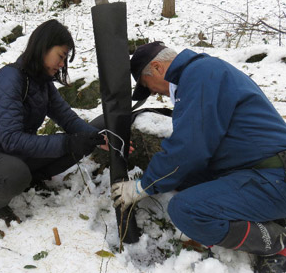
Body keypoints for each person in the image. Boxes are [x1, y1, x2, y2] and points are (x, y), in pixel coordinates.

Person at [111, 41, 286, 273]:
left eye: (148, 85)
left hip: (274, 176)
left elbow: (189, 146)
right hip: (258, 169)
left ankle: (278, 245)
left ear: (158, 67)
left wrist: (144, 185)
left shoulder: (199, 75)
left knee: (186, 210)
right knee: (182, 180)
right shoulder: (203, 72)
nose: (154, 93)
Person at [0, 19, 106, 227]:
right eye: (60, 56)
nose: (62, 64)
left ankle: (27, 181)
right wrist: (68, 142)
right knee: (17, 173)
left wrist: (96, 138)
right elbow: (12, 140)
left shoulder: (42, 83)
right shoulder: (10, 79)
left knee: (81, 144)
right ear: (43, 47)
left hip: (12, 154)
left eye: (65, 58)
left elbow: (66, 118)